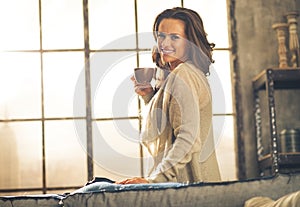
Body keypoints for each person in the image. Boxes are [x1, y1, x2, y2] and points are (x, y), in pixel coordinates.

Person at [117, 7, 221, 184]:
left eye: (174, 37)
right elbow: (173, 123)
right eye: (161, 36)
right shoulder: (185, 74)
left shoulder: (184, 74)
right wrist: (149, 97)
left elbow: (188, 139)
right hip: (193, 186)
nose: (164, 43)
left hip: (190, 188)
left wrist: (154, 181)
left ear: (190, 42)